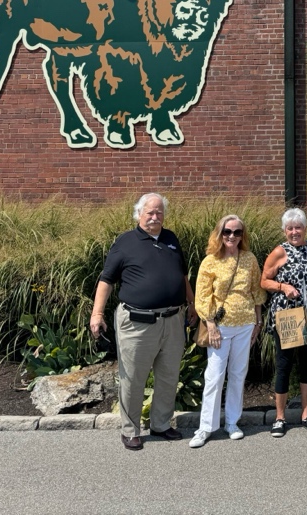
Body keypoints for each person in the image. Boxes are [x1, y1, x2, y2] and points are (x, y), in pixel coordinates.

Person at [90, 193, 197, 450]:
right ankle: (130, 430)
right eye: (149, 212)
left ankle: (160, 425)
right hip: (137, 322)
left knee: (169, 376)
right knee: (134, 378)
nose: (154, 217)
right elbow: (106, 280)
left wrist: (192, 305)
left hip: (172, 320)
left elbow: (182, 276)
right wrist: (97, 314)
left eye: (159, 212)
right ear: (139, 214)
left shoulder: (171, 239)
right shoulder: (125, 242)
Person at [189, 214, 266, 448]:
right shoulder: (210, 261)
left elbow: (256, 292)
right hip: (220, 327)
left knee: (238, 373)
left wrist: (258, 322)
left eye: (237, 232)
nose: (232, 236)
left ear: (243, 235)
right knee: (214, 376)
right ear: (219, 233)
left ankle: (232, 422)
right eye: (227, 232)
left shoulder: (249, 258)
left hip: (245, 324)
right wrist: (210, 325)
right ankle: (205, 427)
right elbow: (202, 297)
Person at [260, 208, 307, 438]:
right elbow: (264, 281)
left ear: (305, 228)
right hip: (289, 318)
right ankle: (279, 418)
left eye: (298, 227)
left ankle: (306, 414)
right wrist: (283, 287)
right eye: (290, 228)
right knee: (284, 366)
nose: (295, 231)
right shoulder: (280, 251)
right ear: (285, 230)